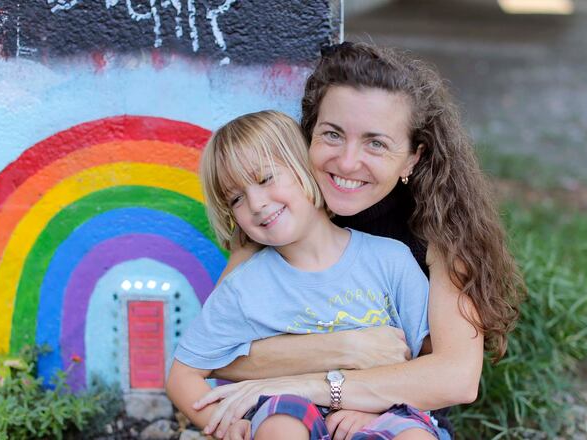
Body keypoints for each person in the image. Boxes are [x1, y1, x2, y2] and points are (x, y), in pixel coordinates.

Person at [176, 42, 524, 440]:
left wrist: (327, 388)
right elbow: (216, 357)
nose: (346, 162)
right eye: (333, 134)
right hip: (288, 413)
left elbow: (455, 377)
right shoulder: (275, 220)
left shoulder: (443, 229)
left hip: (392, 415)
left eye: (376, 143)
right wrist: (344, 348)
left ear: (412, 158)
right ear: (307, 135)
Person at [166, 110, 444, 439]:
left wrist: (370, 405)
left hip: (379, 407)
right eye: (236, 198)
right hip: (288, 407)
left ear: (305, 167)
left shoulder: (390, 259)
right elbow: (182, 376)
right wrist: (229, 425)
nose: (255, 203)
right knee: (279, 427)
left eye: (265, 179)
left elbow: (426, 359)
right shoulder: (244, 288)